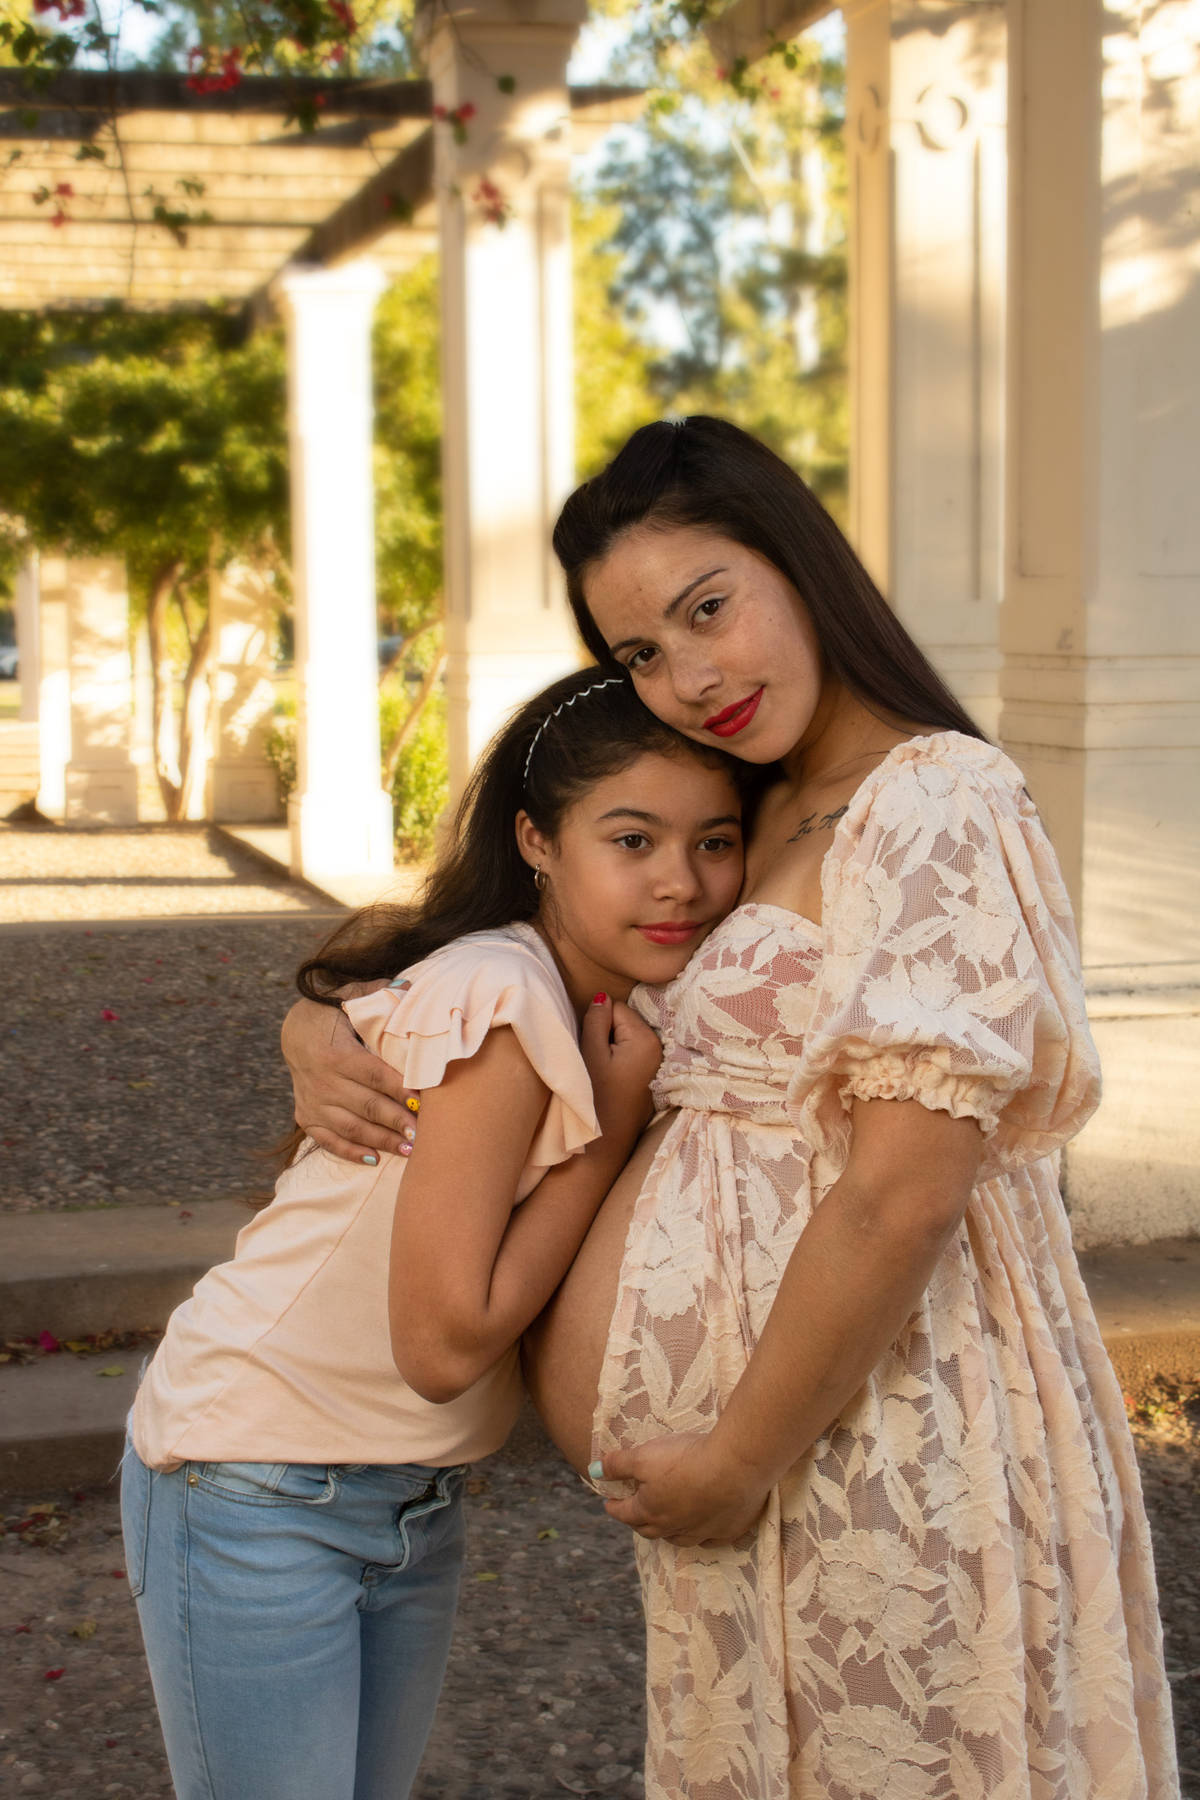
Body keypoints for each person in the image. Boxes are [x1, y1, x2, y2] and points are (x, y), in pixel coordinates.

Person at [285, 419, 1178, 1800]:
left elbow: (904, 1187)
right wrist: (318, 1018)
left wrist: (741, 1455)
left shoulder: (935, 801)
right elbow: (527, 940)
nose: (690, 678)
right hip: (752, 1471)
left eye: (710, 609)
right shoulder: (750, 811)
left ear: (800, 564)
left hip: (874, 1430)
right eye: (640, 652)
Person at [122, 666, 751, 1800]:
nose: (682, 883)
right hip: (256, 1480)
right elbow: (444, 1345)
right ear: (537, 840)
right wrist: (607, 1133)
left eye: (716, 840)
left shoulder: (600, 1002)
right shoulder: (503, 998)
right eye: (633, 839)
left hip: (406, 1499)